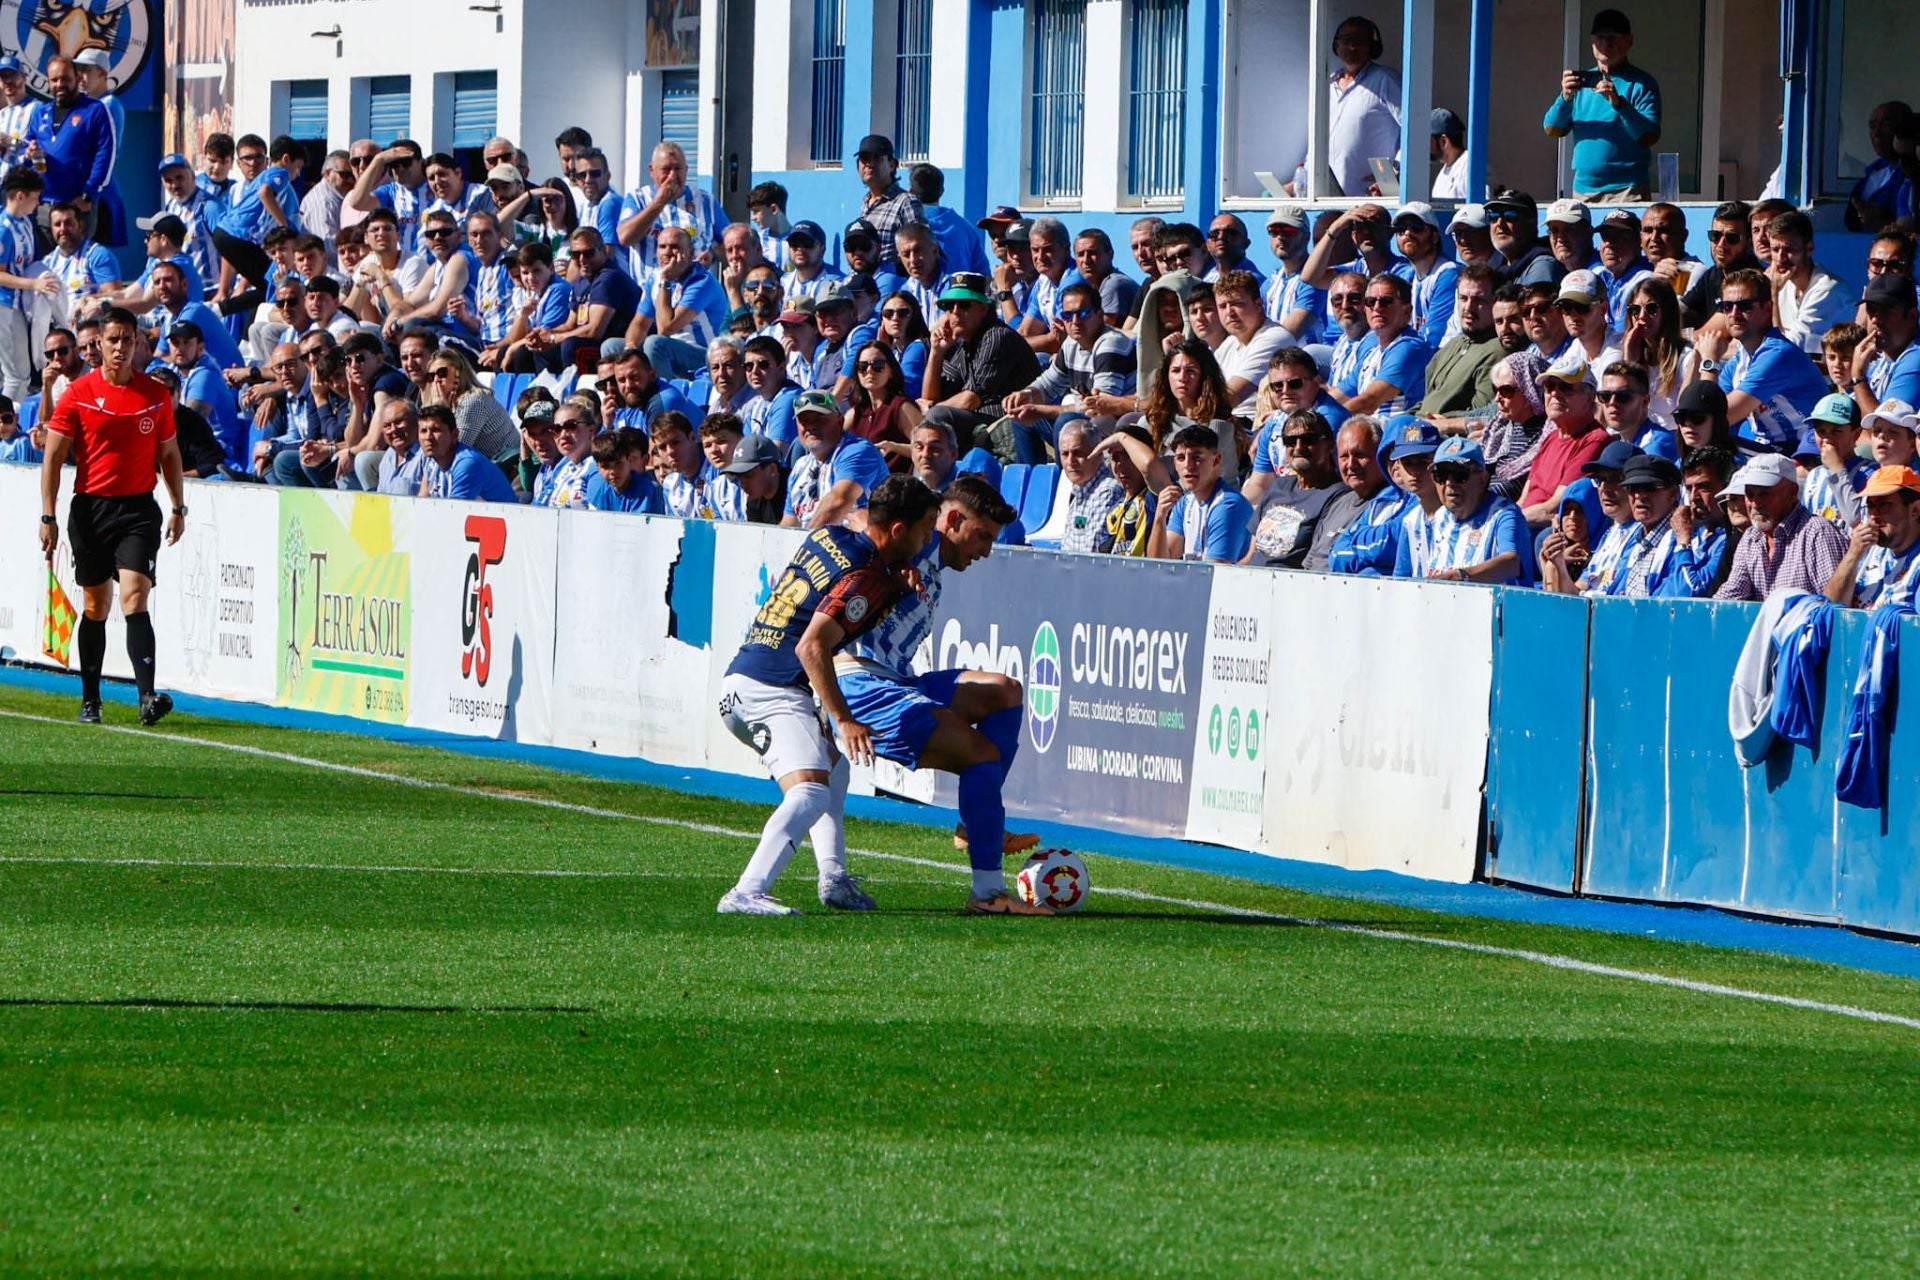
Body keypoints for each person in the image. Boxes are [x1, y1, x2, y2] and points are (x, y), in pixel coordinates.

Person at [716, 475, 941, 915]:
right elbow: (811, 646)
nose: (928, 538)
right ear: (898, 529)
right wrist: (844, 718)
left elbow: (857, 517)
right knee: (811, 792)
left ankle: (834, 878)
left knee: (832, 771)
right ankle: (745, 891)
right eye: (925, 528)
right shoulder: (865, 576)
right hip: (771, 689)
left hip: (749, 680)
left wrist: (895, 569)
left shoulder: (833, 533)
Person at [36, 307, 183, 725]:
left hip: (138, 508)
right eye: (113, 339)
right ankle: (91, 699)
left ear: (138, 343)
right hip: (91, 509)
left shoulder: (155, 395)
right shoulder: (78, 394)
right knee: (95, 604)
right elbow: (53, 457)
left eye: (128, 339)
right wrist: (48, 515)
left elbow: (169, 454)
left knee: (136, 595)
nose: (120, 347)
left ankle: (147, 697)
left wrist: (177, 506)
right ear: (99, 344)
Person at [1692, 268, 1829, 449]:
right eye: (1727, 307)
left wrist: (1709, 361)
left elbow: (1718, 418)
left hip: (1808, 449)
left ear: (1767, 308)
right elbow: (1695, 414)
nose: (1734, 313)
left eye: (1745, 306)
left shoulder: (1777, 355)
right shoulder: (1740, 359)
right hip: (1770, 450)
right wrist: (1696, 357)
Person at [1542, 8, 1662, 201]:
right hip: (1584, 189)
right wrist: (1565, 97)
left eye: (1614, 37)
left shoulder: (1641, 83)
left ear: (1629, 41)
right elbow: (1552, 129)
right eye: (1601, 37)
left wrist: (1618, 103)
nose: (1607, 43)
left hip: (1628, 189)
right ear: (1592, 42)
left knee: (1626, 232)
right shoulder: (1582, 83)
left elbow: (1648, 136)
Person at [921, 272, 1041, 453]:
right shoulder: (962, 343)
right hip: (985, 425)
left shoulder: (996, 336)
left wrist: (929, 411)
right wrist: (937, 352)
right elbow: (930, 398)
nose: (955, 312)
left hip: (1014, 424)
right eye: (949, 306)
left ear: (984, 308)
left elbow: (970, 400)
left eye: (964, 305)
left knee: (936, 417)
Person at [1713, 452, 1847, 601]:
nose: (1756, 503)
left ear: (1792, 492)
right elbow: (1730, 595)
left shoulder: (1818, 533)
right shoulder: (1751, 537)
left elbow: (1834, 604)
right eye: (1750, 494)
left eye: (1764, 493)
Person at [1397, 437, 1528, 583]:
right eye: (1441, 474)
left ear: (1482, 479)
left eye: (1460, 474)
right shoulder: (1433, 519)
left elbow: (1511, 563)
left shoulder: (1503, 514)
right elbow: (1401, 579)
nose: (1449, 483)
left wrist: (1461, 576)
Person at [617, 141, 730, 289]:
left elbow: (730, 241)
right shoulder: (638, 199)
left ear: (686, 170)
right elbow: (625, 238)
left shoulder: (705, 200)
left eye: (678, 168)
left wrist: (713, 254)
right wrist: (659, 202)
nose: (673, 176)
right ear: (652, 170)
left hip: (694, 295)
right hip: (648, 296)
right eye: (666, 169)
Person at [24, 57, 114, 240]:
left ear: (77, 77)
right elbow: (27, 153)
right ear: (48, 82)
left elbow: (105, 153)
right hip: (43, 208)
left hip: (77, 206)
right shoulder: (40, 113)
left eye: (65, 78)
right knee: (46, 266)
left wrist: (88, 194)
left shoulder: (95, 110)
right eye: (54, 80)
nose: (60, 84)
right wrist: (28, 153)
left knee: (75, 266)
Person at [1519, 353, 1611, 525]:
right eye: (1549, 386)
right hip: (1525, 522)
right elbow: (1524, 499)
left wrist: (1509, 522)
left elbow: (1554, 506)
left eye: (1566, 387)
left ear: (1590, 397)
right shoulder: (1551, 438)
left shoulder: (1596, 440)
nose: (1555, 393)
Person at [1244, 409, 1342, 568]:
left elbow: (1318, 562)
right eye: (1290, 441)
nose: (1298, 447)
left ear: (1330, 445)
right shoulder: (1278, 486)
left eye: (1308, 439)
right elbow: (1251, 555)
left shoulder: (1338, 494)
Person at [211, 135, 303, 305]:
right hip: (236, 237)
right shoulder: (281, 174)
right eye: (298, 167)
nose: (297, 174)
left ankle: (226, 308)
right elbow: (265, 193)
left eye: (258, 157)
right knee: (274, 286)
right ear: (286, 159)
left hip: (223, 233)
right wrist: (285, 225)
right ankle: (224, 309)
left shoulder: (261, 177)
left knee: (268, 284)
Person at [784, 388, 894, 528]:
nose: (811, 425)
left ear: (839, 421)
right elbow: (789, 523)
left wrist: (805, 546)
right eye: (804, 420)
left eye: (819, 419)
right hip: (818, 546)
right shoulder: (800, 467)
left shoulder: (858, 451)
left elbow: (838, 503)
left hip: (860, 546)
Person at [1328, 415, 1422, 575]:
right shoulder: (1382, 499)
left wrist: (1358, 544)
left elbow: (1388, 544)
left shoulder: (1424, 499)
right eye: (1390, 456)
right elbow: (1336, 554)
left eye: (1408, 459)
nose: (1397, 464)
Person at [1139, 337, 1241, 482]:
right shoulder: (1152, 421)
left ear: (1204, 377)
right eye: (1175, 370)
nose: (1182, 378)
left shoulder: (1219, 427)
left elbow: (1222, 482)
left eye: (1191, 371)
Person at [1149, 423, 1253, 563]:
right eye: (1181, 458)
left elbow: (1216, 573)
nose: (1188, 465)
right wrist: (1160, 518)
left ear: (1216, 460)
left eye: (1196, 458)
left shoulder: (1228, 505)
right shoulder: (1185, 503)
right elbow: (1158, 565)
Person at [1328, 274, 1429, 417]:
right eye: (1370, 302)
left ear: (1406, 310)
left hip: (1395, 434)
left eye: (1386, 301)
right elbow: (1335, 397)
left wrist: (1321, 424)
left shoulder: (1409, 347)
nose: (1377, 308)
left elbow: (1369, 401)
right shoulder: (1371, 352)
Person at [1414, 265, 1502, 421]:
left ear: (1495, 302)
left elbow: (1480, 411)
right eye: (1463, 298)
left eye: (1479, 300)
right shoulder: (1450, 347)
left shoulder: (1497, 351)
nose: (1468, 307)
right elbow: (1427, 402)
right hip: (1418, 428)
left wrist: (1440, 420)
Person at [1325, 16, 1401, 197]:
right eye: (1347, 40)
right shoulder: (1327, 85)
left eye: (1359, 41)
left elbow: (1415, 131)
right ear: (1337, 45)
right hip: (1327, 198)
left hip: (1370, 199)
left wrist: (1395, 171)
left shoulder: (1385, 80)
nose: (1352, 47)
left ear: (1372, 48)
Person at [1824, 465, 1920, 608]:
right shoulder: (1869, 550)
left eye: (1884, 506)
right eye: (1870, 507)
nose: (1874, 516)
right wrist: (1853, 554)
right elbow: (1830, 610)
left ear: (1915, 510)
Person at [1765, 211, 1857, 355]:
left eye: (1790, 249)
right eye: (1775, 249)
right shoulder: (1781, 283)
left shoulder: (1827, 290)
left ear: (1809, 249)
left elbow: (1783, 349)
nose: (1781, 258)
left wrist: (1773, 296)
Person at [1679, 201, 1761, 330]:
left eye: (1732, 238)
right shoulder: (1713, 274)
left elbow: (1711, 334)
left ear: (1750, 243)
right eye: (1715, 236)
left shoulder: (1753, 281)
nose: (1721, 244)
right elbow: (1679, 312)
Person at [1619, 276, 1688, 426]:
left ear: (1667, 313)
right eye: (1635, 310)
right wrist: (1628, 363)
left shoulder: (1686, 357)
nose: (1642, 317)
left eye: (1651, 309)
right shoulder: (1632, 352)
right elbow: (1622, 409)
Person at [1801, 392, 1876, 529]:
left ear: (1856, 433)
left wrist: (1838, 470)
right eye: (1821, 431)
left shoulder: (1870, 472)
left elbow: (1856, 520)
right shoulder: (1814, 475)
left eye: (1836, 432)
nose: (1827, 440)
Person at [1389, 203, 1458, 347]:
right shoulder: (1407, 275)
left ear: (1434, 236)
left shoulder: (1448, 274)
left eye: (1416, 227)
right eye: (1401, 229)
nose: (1407, 233)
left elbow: (1433, 336)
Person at [852, 135, 924, 270]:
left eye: (877, 158)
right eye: (865, 159)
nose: (869, 164)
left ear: (892, 165)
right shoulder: (865, 203)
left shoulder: (906, 202)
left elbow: (920, 248)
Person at [1056, 420, 1129, 554]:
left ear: (1099, 453)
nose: (1070, 462)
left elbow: (1092, 555)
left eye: (1078, 453)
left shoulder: (1107, 492)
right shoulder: (1080, 488)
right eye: (1065, 454)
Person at [846, 341, 921, 469]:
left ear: (891, 371)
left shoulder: (901, 406)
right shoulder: (856, 412)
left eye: (878, 365)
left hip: (895, 483)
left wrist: (895, 448)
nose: (869, 370)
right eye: (863, 366)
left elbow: (927, 447)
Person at [1853, 272, 1920, 416]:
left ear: (1912, 316)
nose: (1876, 319)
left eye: (1887, 310)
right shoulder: (1880, 355)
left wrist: (1857, 377)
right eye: (1871, 310)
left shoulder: (1916, 358)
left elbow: (1883, 430)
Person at [1845, 102, 1916, 233]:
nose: (1877, 133)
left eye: (1886, 124)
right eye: (1872, 126)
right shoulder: (1871, 172)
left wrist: (1885, 223)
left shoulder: (1910, 175)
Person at [908, 163, 988, 279]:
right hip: (960, 294)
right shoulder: (965, 228)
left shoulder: (906, 226)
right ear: (942, 191)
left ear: (910, 191)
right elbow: (983, 274)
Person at [1262, 206, 1324, 344]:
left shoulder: (1315, 280)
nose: (1281, 237)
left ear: (1306, 237)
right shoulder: (1271, 281)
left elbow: (1288, 335)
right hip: (1273, 356)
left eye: (1289, 231)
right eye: (1274, 231)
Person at [1595, 360, 1678, 460]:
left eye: (1623, 396)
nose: (1612, 403)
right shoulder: (1618, 443)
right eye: (1605, 396)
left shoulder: (1657, 446)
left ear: (1645, 401)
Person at [1592, 210, 1651, 332]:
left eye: (1619, 237)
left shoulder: (1644, 282)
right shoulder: (1603, 276)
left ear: (1638, 242)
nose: (1609, 244)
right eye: (1605, 237)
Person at [1487, 192, 1562, 287]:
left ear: (1531, 223)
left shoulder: (1542, 266)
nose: (1499, 223)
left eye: (1510, 215)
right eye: (1494, 216)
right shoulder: (1493, 266)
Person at [708, 432, 786, 523]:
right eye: (739, 477)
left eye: (748, 476)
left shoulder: (795, 490)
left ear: (772, 469)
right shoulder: (753, 500)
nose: (743, 485)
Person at [1431, 108, 1471, 200]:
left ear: (1444, 141)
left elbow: (1483, 209)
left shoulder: (1470, 166)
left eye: (1429, 140)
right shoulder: (1445, 169)